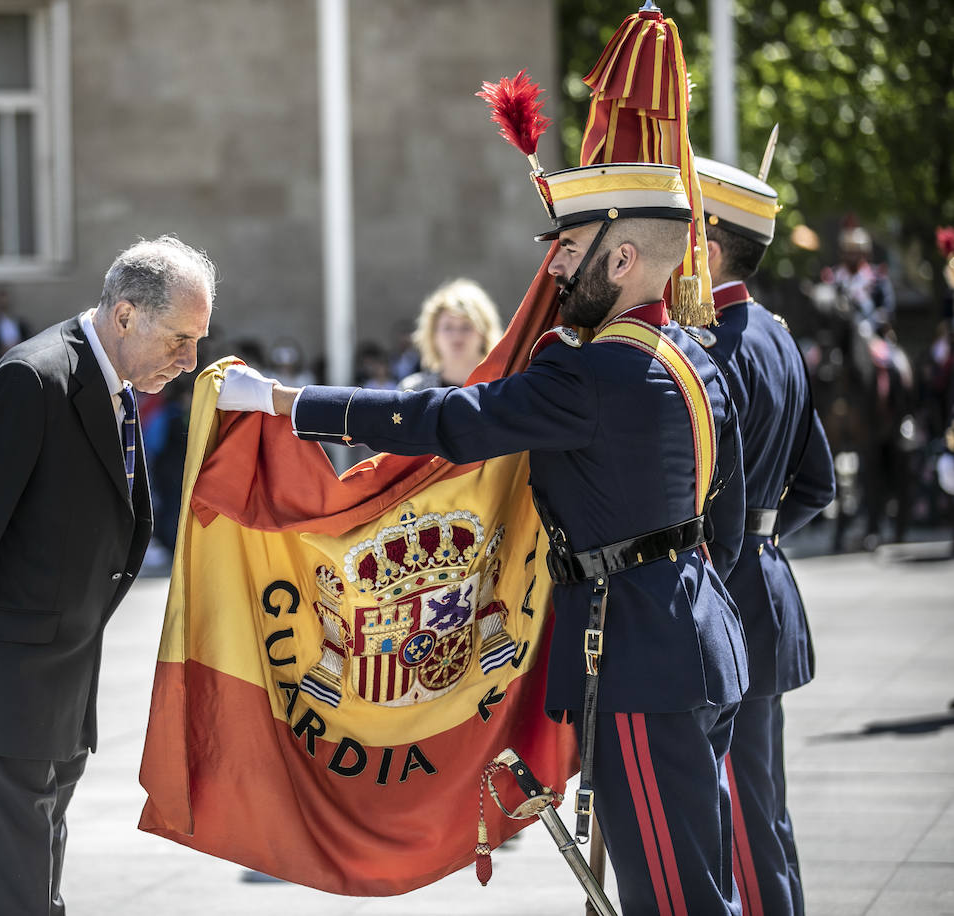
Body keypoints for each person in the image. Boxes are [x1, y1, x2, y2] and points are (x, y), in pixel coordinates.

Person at [220, 162, 750, 914]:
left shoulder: (591, 373)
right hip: (697, 639)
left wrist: (287, 401)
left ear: (622, 259)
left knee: (671, 899)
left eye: (568, 248)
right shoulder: (692, 357)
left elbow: (447, 420)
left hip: (640, 658)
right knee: (697, 879)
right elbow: (718, 521)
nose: (555, 265)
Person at [0, 236, 215, 915]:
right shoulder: (32, 381)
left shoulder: (115, 387)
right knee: (7, 903)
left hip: (57, 707)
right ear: (125, 316)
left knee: (34, 897)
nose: (190, 362)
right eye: (181, 340)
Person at [695, 156, 837, 915]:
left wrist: (735, 546)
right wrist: (764, 539)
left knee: (742, 819)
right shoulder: (776, 337)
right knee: (763, 810)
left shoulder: (712, 345)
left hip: (728, 595)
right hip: (767, 586)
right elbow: (818, 484)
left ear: (709, 248)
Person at [400, 278, 504, 390]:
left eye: (466, 327)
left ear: (484, 333)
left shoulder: (501, 388)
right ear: (433, 335)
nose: (457, 335)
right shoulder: (413, 390)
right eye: (448, 327)